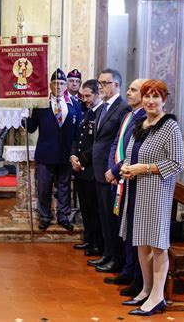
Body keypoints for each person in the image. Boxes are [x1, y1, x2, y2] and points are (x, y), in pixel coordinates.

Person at [119, 79, 184, 316]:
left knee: (157, 245)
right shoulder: (142, 123)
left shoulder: (169, 127)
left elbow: (176, 162)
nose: (150, 101)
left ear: (164, 100)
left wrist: (143, 168)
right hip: (136, 189)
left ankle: (158, 297)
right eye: (147, 96)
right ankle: (146, 289)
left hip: (156, 191)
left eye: (156, 96)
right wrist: (127, 168)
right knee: (141, 242)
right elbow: (131, 153)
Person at [104, 79, 147, 294]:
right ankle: (128, 268)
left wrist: (116, 169)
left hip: (131, 178)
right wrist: (112, 167)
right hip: (120, 175)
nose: (128, 93)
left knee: (130, 226)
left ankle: (133, 272)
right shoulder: (129, 114)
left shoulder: (144, 118)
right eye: (129, 89)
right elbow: (117, 142)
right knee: (122, 224)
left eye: (133, 90)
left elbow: (133, 152)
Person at [25, 68, 82, 231]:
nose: (59, 86)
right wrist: (24, 115)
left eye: (62, 83)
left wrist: (74, 152)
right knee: (44, 187)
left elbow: (78, 131)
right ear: (50, 85)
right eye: (55, 83)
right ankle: (44, 216)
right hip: (46, 153)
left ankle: (63, 216)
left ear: (66, 86)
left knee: (64, 187)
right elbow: (31, 128)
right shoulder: (41, 105)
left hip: (66, 154)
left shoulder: (75, 105)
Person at [87, 68, 130, 273]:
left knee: (111, 217)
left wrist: (113, 169)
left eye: (105, 83)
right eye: (100, 82)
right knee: (103, 215)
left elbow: (119, 142)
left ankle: (115, 257)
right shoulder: (104, 107)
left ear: (116, 85)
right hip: (98, 170)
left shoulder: (122, 108)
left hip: (110, 171)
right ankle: (106, 253)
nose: (100, 86)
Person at [70, 79, 103, 254]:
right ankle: (88, 239)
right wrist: (73, 155)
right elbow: (77, 137)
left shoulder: (101, 114)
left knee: (94, 208)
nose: (84, 99)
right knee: (85, 207)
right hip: (80, 168)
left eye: (88, 96)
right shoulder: (86, 113)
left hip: (91, 168)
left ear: (98, 94)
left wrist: (81, 160)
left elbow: (98, 143)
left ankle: (97, 243)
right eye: (83, 96)